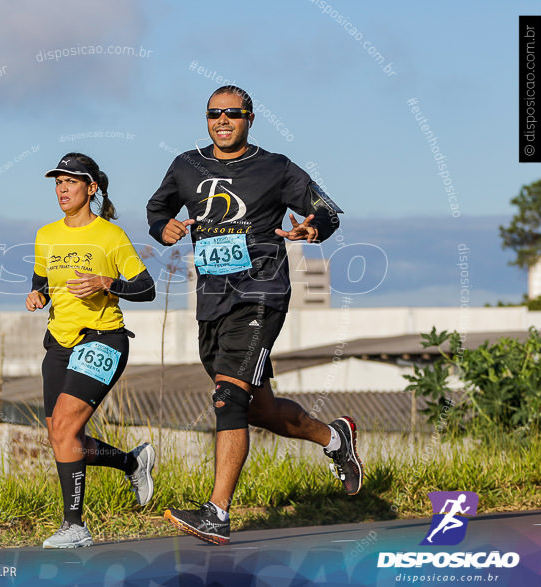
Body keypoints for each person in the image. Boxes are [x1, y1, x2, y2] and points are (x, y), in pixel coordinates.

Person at [146, 86, 363, 545]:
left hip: (261, 293)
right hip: (212, 302)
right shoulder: (186, 165)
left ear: (249, 118)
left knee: (227, 399)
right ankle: (336, 438)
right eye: (213, 114)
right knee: (257, 408)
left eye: (232, 113)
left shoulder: (276, 166)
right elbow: (158, 208)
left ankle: (216, 513)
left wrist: (314, 226)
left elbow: (328, 208)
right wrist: (162, 228)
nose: (222, 120)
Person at [27, 152, 157, 548]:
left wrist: (108, 282)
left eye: (70, 181)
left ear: (91, 188)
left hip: (102, 338)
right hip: (59, 342)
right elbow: (42, 280)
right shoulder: (46, 234)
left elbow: (146, 288)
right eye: (58, 182)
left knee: (65, 428)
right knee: (60, 435)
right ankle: (131, 462)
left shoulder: (110, 236)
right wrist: (36, 294)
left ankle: (75, 527)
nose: (62, 189)